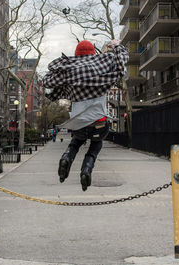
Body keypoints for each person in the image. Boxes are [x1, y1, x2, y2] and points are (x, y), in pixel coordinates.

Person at [42, 39, 129, 191]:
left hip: (79, 123)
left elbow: (47, 82)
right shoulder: (103, 64)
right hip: (99, 122)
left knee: (76, 142)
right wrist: (115, 45)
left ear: (76, 54)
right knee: (97, 143)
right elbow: (123, 61)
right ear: (92, 53)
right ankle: (86, 169)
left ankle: (66, 158)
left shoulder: (70, 70)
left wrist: (65, 78)